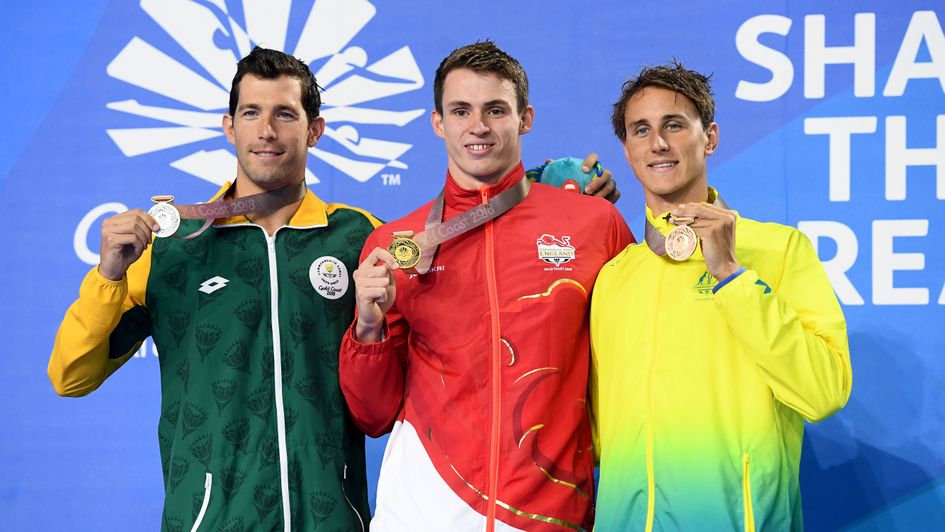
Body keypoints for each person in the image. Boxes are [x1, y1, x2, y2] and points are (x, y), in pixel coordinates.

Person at [49, 47, 379, 531]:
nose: (266, 130)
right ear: (230, 127)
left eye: (285, 114)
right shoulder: (171, 249)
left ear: (315, 130)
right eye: (251, 113)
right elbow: (71, 377)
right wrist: (109, 277)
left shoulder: (359, 238)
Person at [338, 41, 633, 531]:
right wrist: (368, 328)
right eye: (461, 111)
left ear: (525, 118)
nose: (478, 126)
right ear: (438, 122)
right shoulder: (394, 244)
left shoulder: (593, 224)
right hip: (424, 511)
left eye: (495, 109)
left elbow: (638, 359)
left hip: (545, 514)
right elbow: (373, 415)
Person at [590, 61, 853, 531]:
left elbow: (824, 391)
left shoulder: (779, 250)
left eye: (674, 124)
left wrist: (732, 275)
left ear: (709, 137)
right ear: (627, 151)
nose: (658, 143)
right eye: (641, 130)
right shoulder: (614, 277)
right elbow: (594, 433)